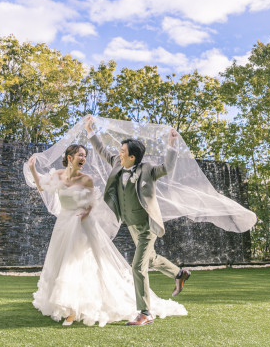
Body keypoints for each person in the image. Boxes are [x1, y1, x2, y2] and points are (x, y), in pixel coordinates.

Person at [25, 143, 187, 327]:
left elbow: (91, 203)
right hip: (63, 225)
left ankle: (79, 308)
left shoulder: (87, 179)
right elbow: (42, 187)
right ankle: (178, 273)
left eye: (85, 155)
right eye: (80, 155)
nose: (84, 158)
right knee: (60, 262)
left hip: (82, 226)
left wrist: (86, 212)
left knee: (79, 264)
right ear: (69, 158)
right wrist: (32, 169)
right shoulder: (57, 176)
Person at [85, 115, 191, 326]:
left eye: (123, 151)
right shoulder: (117, 163)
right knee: (150, 259)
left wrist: (172, 145)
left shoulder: (148, 169)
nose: (119, 153)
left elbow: (167, 168)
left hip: (147, 226)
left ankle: (145, 312)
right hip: (131, 225)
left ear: (132, 157)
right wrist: (90, 132)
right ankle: (179, 273)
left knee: (137, 267)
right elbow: (102, 150)